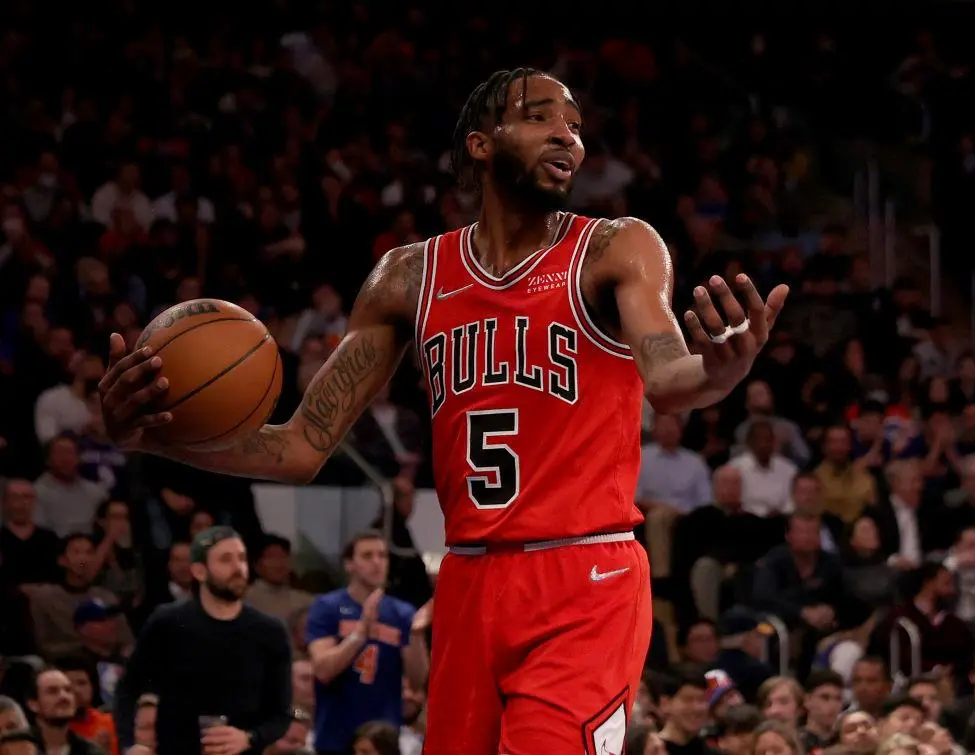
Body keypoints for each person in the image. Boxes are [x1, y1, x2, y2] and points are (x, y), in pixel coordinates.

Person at [98, 67, 788, 755]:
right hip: (465, 581)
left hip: (584, 576)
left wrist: (719, 368)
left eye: (576, 127)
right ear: (483, 144)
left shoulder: (613, 247)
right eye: (542, 117)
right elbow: (301, 444)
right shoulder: (408, 277)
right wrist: (154, 439)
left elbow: (668, 375)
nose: (568, 139)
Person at [113, 526, 292, 755]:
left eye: (242, 558)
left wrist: (249, 737)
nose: (238, 568)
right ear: (199, 571)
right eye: (225, 560)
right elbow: (128, 689)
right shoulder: (168, 622)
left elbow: (281, 714)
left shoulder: (269, 631)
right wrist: (130, 744)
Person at [305, 531, 429, 754]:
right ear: (349, 564)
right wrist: (360, 634)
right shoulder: (327, 607)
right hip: (335, 734)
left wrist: (418, 635)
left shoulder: (402, 613)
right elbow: (323, 670)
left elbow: (417, 682)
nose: (377, 562)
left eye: (382, 555)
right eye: (367, 555)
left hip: (384, 738)